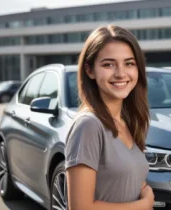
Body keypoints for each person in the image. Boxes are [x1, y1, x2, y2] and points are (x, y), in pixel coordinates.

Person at [65, 25, 155, 210]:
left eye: (129, 63)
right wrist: (143, 204)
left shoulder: (128, 121)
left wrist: (146, 191)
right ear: (90, 70)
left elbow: (126, 181)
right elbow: (80, 207)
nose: (121, 73)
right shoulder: (88, 126)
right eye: (109, 64)